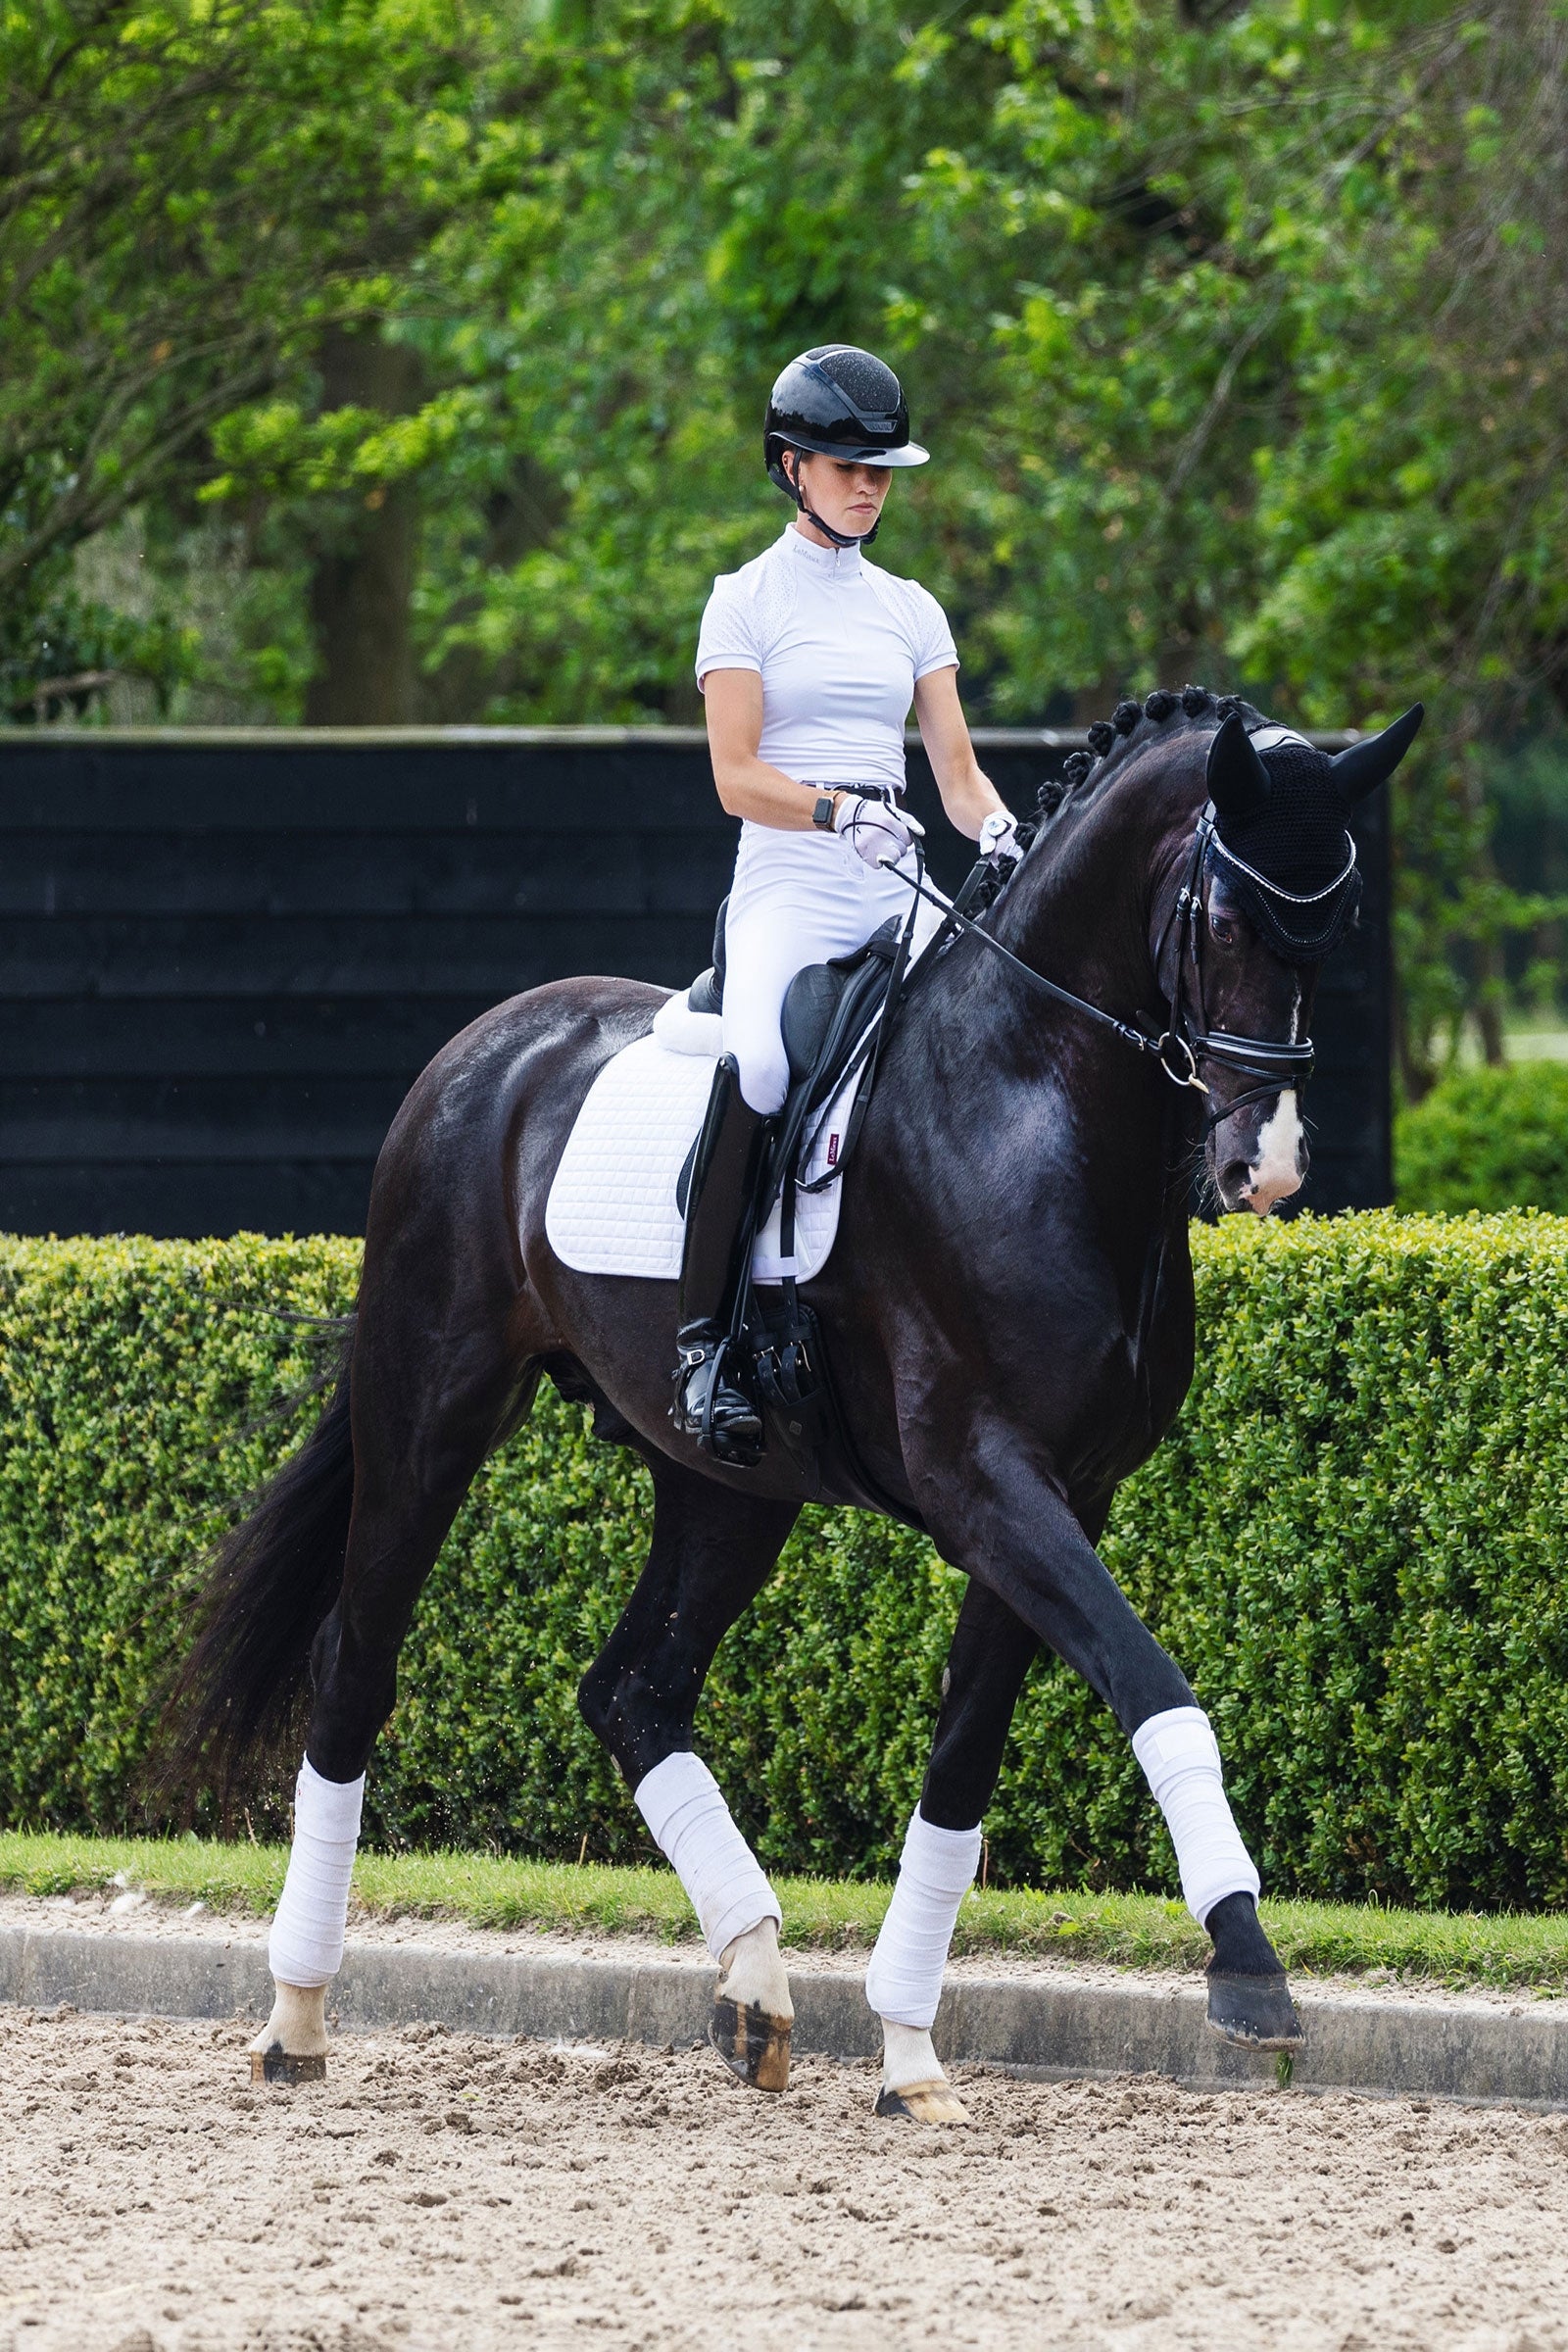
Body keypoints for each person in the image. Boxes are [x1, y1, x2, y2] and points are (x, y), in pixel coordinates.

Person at [673, 344, 1021, 1463]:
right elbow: (734, 776)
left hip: (897, 871)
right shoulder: (743, 603)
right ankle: (705, 1344)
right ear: (790, 467)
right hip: (790, 877)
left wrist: (1003, 830)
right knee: (766, 1068)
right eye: (844, 464)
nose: (868, 484)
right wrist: (833, 812)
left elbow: (956, 775)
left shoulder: (911, 609)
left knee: (977, 1041)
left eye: (880, 469)